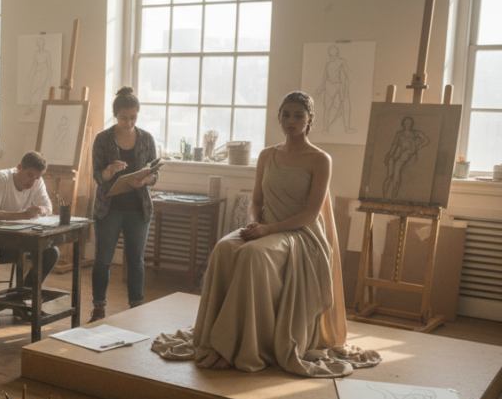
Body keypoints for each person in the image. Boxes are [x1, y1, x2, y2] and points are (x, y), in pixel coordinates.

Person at [153, 92, 381, 378]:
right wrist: (251, 224)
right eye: (286, 115)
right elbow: (256, 202)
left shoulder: (320, 159)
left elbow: (311, 214)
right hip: (264, 226)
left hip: (301, 234)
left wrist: (267, 230)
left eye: (299, 115)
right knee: (224, 248)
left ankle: (234, 346)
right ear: (279, 118)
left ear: (310, 119)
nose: (291, 121)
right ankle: (213, 338)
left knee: (252, 255)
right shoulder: (267, 154)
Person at [89, 87, 159, 322]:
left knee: (136, 262)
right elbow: (97, 175)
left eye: (133, 118)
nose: (128, 122)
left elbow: (154, 176)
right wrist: (108, 171)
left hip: (139, 209)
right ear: (115, 115)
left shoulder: (147, 138)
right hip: (108, 208)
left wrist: (145, 180)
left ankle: (135, 309)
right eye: (123, 118)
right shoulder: (103, 139)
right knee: (103, 261)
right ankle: (99, 308)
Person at [0, 152, 57, 302]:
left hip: (14, 237)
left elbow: (48, 207)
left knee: (51, 251)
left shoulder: (37, 181)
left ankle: (17, 299)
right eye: (30, 175)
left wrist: (41, 210)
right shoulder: (1, 178)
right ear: (19, 168)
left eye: (37, 177)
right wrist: (22, 215)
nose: (33, 181)